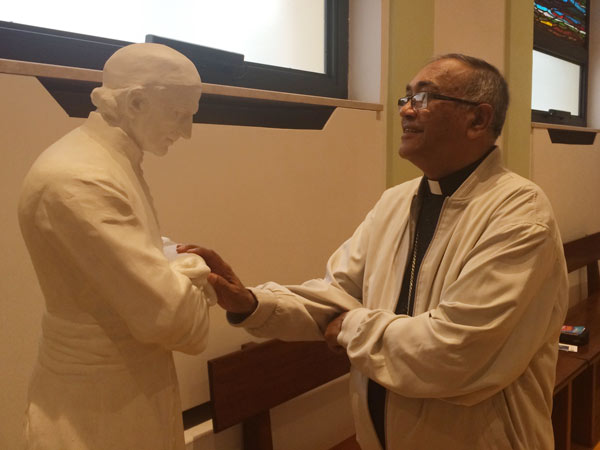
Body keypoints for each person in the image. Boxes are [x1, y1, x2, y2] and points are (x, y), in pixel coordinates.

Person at [181, 54, 568, 449]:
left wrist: (351, 327)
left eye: (423, 98)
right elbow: (337, 294)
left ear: (478, 120)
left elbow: (455, 352)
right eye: (405, 98)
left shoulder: (520, 214)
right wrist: (252, 303)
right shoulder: (395, 203)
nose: (406, 110)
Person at [19, 43, 214, 450]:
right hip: (97, 409)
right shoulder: (80, 178)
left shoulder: (106, 161)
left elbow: (147, 257)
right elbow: (175, 319)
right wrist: (194, 267)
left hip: (123, 389)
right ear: (136, 102)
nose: (187, 131)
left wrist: (167, 266)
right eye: (179, 114)